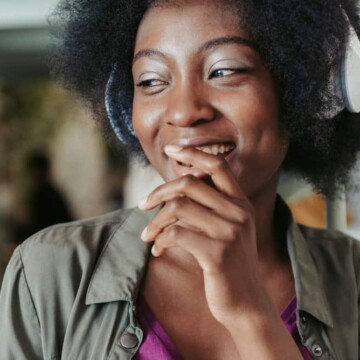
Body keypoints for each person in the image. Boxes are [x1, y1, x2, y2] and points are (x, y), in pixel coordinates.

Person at [1, 0, 360, 359]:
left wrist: (249, 314)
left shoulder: (354, 281)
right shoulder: (47, 272)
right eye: (152, 80)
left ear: (305, 89)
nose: (184, 112)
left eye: (224, 71)